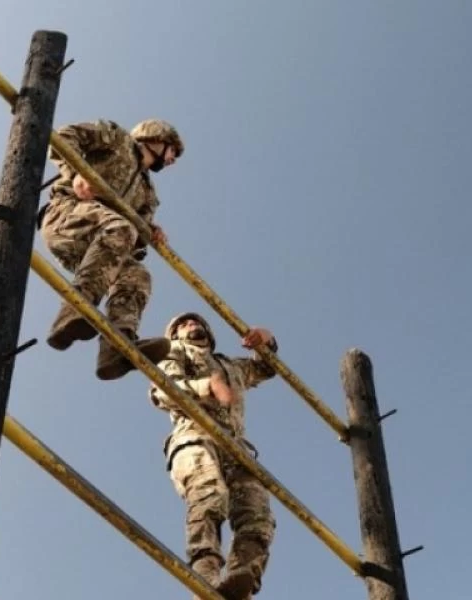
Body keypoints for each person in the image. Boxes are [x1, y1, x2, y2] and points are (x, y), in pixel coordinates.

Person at [37, 118, 183, 380]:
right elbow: (64, 137)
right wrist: (76, 172)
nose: (173, 158)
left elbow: (135, 242)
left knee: (137, 275)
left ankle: (117, 344)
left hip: (100, 246)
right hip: (67, 215)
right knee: (121, 228)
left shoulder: (148, 194)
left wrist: (150, 234)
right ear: (156, 137)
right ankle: (74, 308)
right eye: (172, 149)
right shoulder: (117, 139)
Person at [149, 312, 279, 600]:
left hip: (234, 447)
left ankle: (239, 583)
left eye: (196, 322)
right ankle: (205, 576)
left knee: (258, 515)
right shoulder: (174, 354)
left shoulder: (230, 365)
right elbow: (163, 390)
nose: (190, 325)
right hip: (194, 436)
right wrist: (205, 386)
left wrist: (265, 339)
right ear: (175, 336)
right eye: (182, 325)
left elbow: (266, 368)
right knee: (209, 496)